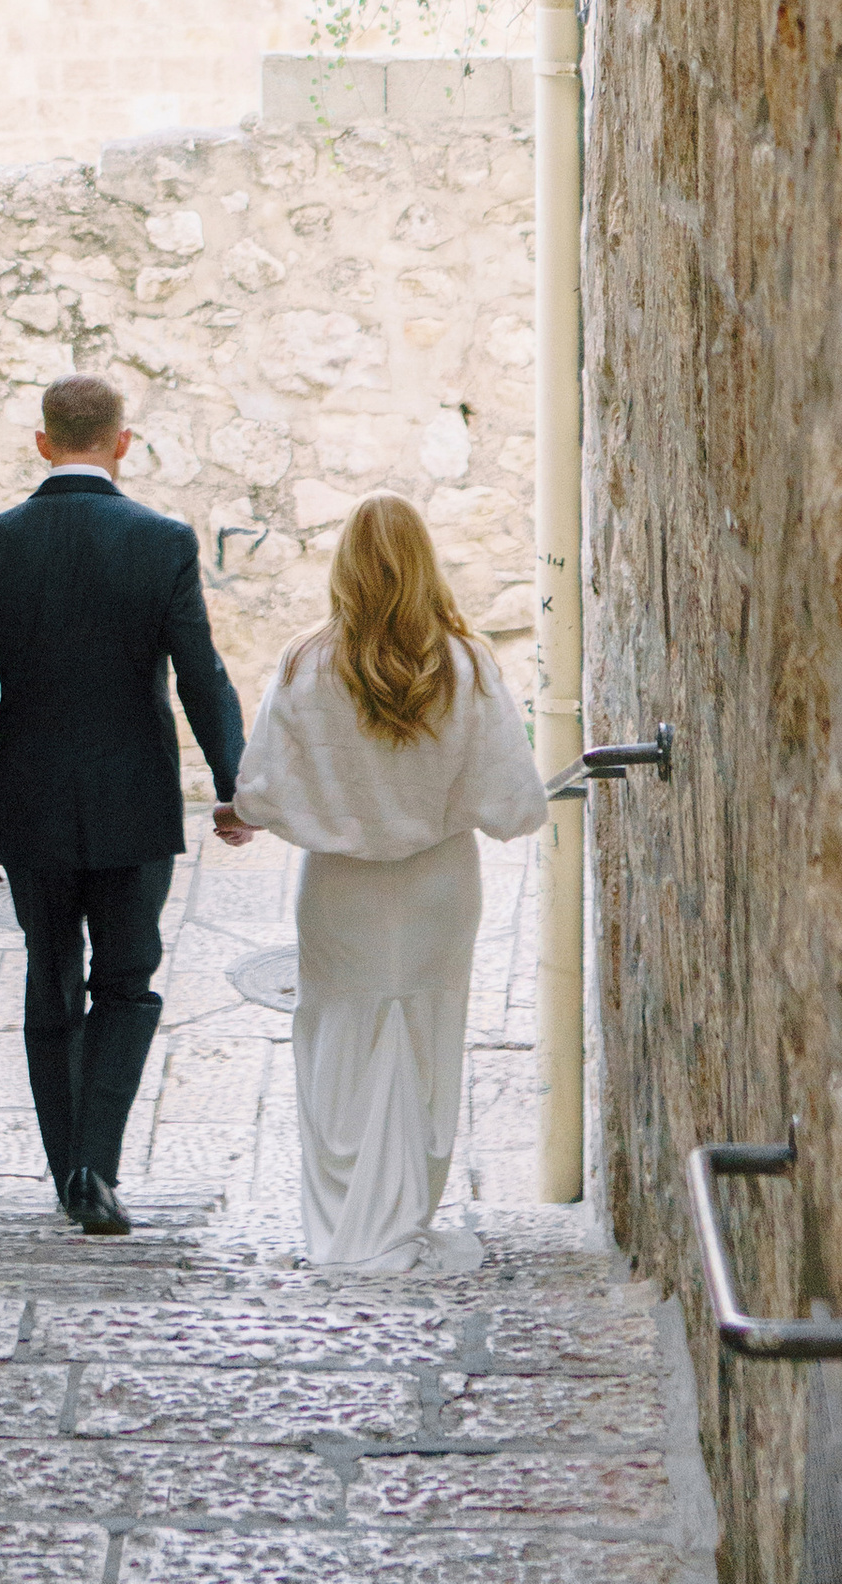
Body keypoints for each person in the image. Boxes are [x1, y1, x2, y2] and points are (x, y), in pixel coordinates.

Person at [0, 372, 248, 1237]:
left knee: (50, 976)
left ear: (43, 442)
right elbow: (200, 674)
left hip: (30, 801)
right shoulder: (162, 543)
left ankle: (65, 1165)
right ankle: (95, 1167)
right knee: (128, 983)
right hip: (133, 802)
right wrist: (236, 786)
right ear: (122, 442)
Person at [222, 493, 546, 1268]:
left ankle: (343, 1225)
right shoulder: (466, 665)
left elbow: (259, 791)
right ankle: (405, 1211)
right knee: (428, 1037)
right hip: (438, 886)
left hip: (340, 890)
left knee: (336, 1036)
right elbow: (515, 803)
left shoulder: (305, 663)